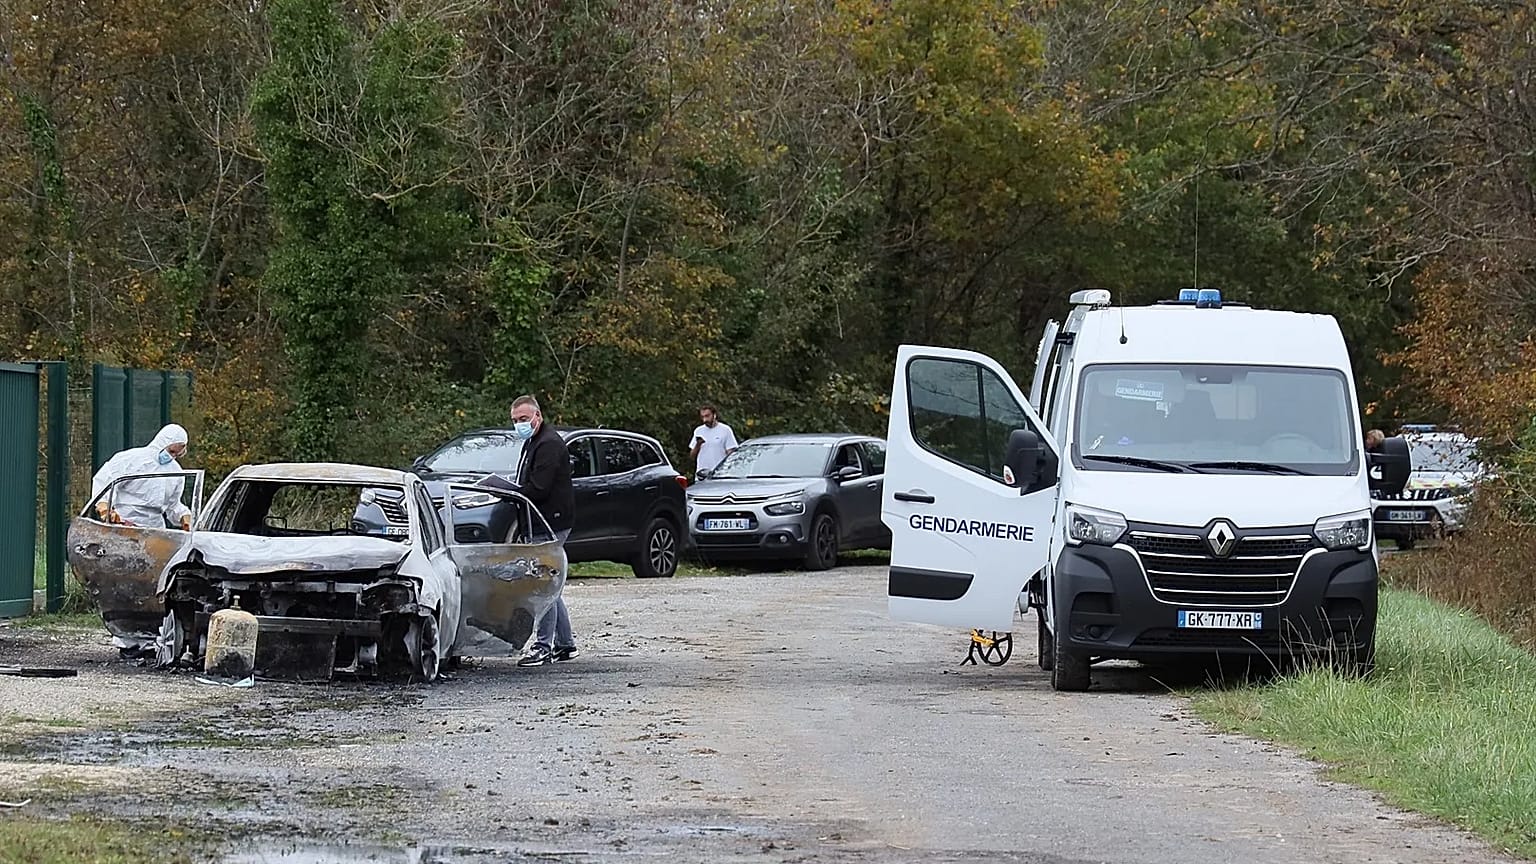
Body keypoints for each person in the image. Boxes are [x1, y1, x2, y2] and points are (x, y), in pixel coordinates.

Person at [89, 423, 194, 659]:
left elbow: (172, 506)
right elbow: (105, 481)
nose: (173, 456)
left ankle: (151, 638)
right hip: (125, 526)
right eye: (172, 450)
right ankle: (127, 641)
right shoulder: (132, 460)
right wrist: (105, 506)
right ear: (162, 443)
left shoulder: (175, 472)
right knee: (125, 583)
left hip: (154, 528)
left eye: (178, 452)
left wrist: (184, 516)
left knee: (154, 585)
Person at [488, 395, 578, 667]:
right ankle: (564, 643)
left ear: (537, 416)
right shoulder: (534, 441)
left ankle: (543, 646)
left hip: (550, 521)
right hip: (541, 520)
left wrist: (510, 492)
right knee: (550, 585)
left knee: (542, 584)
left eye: (524, 419)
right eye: (515, 421)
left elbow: (539, 488)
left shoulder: (548, 444)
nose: (519, 424)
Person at [689, 403, 738, 480]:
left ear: (714, 415)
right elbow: (692, 456)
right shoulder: (698, 431)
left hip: (720, 474)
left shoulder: (725, 430)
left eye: (707, 416)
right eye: (703, 417)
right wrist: (698, 444)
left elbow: (731, 453)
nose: (705, 420)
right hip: (701, 474)